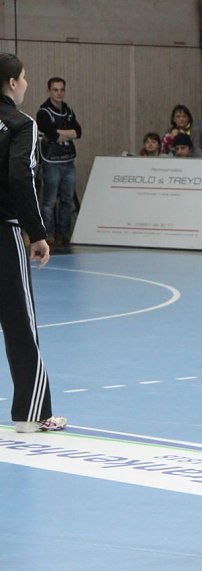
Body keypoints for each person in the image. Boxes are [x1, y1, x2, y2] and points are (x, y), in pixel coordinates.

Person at [0, 53, 67, 434]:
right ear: (12, 83)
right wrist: (37, 233)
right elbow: (20, 178)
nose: (26, 84)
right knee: (19, 323)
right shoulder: (21, 124)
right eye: (24, 78)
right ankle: (33, 413)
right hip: (3, 233)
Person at [36, 76, 81, 248]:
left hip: (68, 160)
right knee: (49, 201)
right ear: (49, 90)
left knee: (67, 200)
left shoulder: (67, 110)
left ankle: (64, 233)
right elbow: (51, 134)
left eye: (62, 89)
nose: (59, 93)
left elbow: (78, 131)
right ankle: (48, 234)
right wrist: (65, 133)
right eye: (55, 90)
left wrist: (60, 133)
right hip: (51, 161)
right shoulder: (43, 112)